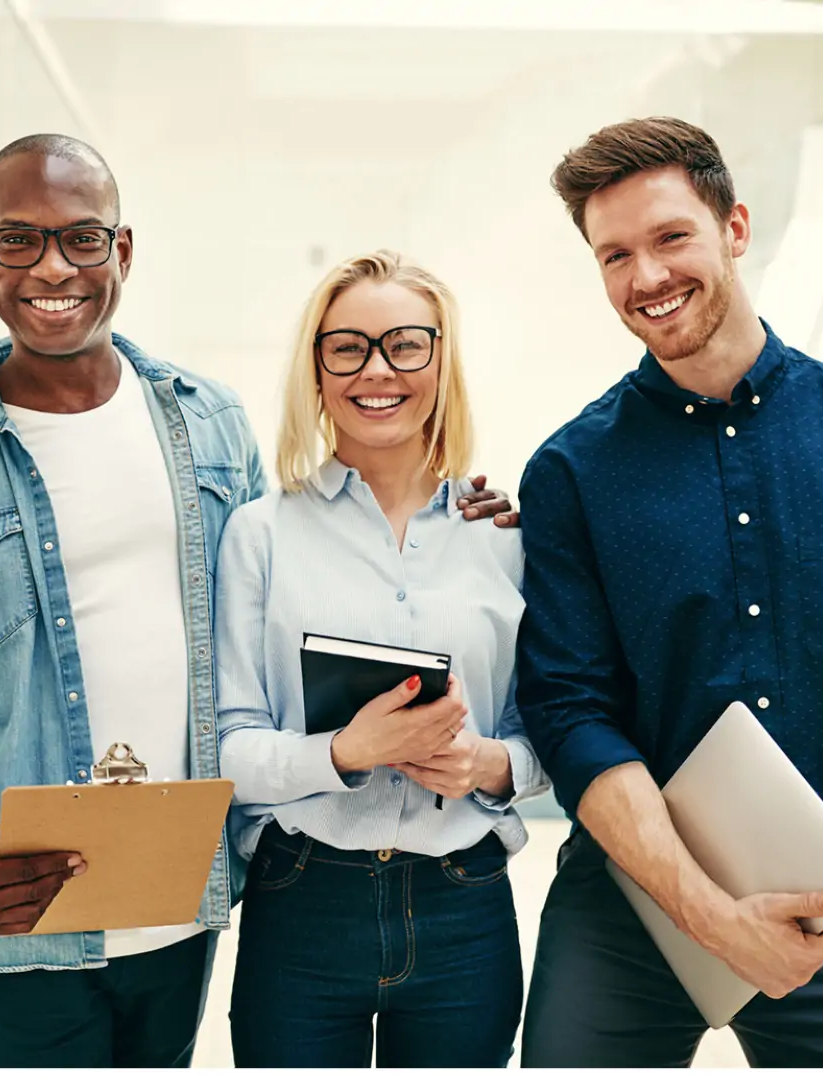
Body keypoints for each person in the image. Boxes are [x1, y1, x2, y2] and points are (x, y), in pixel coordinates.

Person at [0, 134, 518, 1069]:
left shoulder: (210, 423)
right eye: (19, 240)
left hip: (181, 898)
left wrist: (467, 508)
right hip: (25, 905)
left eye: (83, 239)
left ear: (122, 252)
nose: (54, 266)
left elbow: (275, 611)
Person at [514, 117, 823, 1068]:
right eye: (615, 255)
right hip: (628, 902)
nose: (645, 277)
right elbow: (572, 714)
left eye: (670, 238)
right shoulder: (570, 471)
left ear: (734, 227)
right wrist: (713, 915)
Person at [213, 250, 547, 1068]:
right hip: (303, 901)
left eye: (405, 344)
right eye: (347, 347)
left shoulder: (507, 537)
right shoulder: (261, 534)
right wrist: (343, 753)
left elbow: (553, 735)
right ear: (317, 369)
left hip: (462, 905)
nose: (377, 370)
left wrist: (488, 765)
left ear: (440, 359)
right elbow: (227, 746)